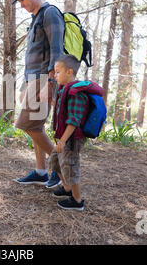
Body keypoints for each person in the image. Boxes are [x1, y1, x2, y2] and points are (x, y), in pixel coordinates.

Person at [12, 0, 64, 188]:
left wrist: (50, 82)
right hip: (33, 79)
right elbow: (33, 56)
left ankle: (59, 166)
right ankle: (41, 171)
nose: (22, 4)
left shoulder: (50, 13)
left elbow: (57, 49)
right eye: (20, 1)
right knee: (37, 126)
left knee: (26, 124)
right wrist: (25, 84)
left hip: (44, 78)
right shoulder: (35, 19)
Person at [49, 54, 103, 211]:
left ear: (69, 72)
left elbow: (74, 120)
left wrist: (63, 141)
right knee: (55, 162)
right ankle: (67, 189)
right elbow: (62, 110)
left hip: (72, 138)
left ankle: (77, 200)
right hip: (64, 137)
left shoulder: (76, 92)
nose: (55, 75)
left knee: (71, 166)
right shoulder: (64, 90)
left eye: (58, 72)